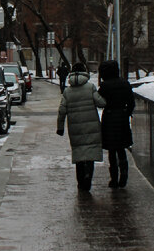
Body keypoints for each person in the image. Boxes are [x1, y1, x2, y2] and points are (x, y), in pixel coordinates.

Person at [56, 63, 105, 192]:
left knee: (79, 154)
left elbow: (62, 111)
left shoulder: (67, 91)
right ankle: (88, 177)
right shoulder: (90, 87)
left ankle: (80, 182)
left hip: (75, 128)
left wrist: (60, 127)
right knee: (90, 154)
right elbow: (101, 103)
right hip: (91, 126)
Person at [97, 60, 134, 188]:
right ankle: (124, 175)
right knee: (122, 148)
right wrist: (126, 114)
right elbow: (131, 103)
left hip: (109, 119)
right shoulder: (125, 84)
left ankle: (114, 178)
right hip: (122, 119)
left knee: (112, 151)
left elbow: (99, 101)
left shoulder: (105, 86)